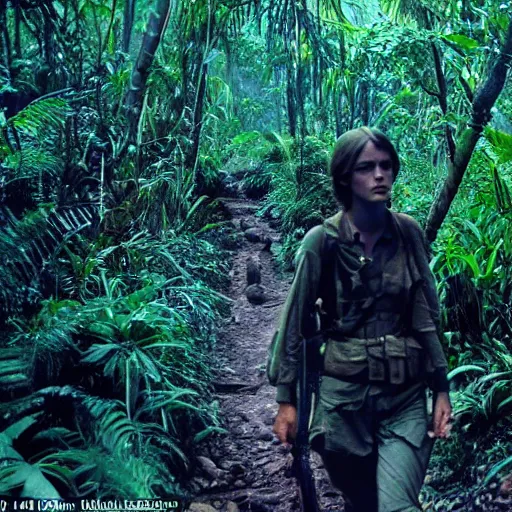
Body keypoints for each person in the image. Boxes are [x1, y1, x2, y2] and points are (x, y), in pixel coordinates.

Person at [268, 127, 452, 512]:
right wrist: (287, 400)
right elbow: (295, 325)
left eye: (386, 166)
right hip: (343, 406)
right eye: (367, 167)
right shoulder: (321, 242)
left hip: (403, 397)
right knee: (362, 499)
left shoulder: (409, 234)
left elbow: (426, 317)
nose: (380, 175)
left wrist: (441, 387)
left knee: (397, 505)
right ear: (345, 178)